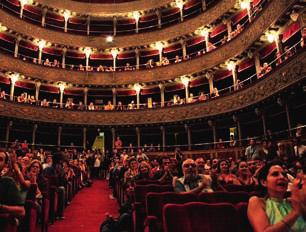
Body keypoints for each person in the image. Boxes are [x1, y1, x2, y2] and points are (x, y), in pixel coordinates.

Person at [248, 162, 305, 232]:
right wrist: (295, 213)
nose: (282, 177)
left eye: (284, 175)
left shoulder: (293, 202)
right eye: (275, 174)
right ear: (264, 182)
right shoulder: (257, 202)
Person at [0, 151, 25, 217]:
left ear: (5, 165)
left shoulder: (7, 182)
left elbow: (22, 211)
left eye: (0, 159)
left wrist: (2, 207)